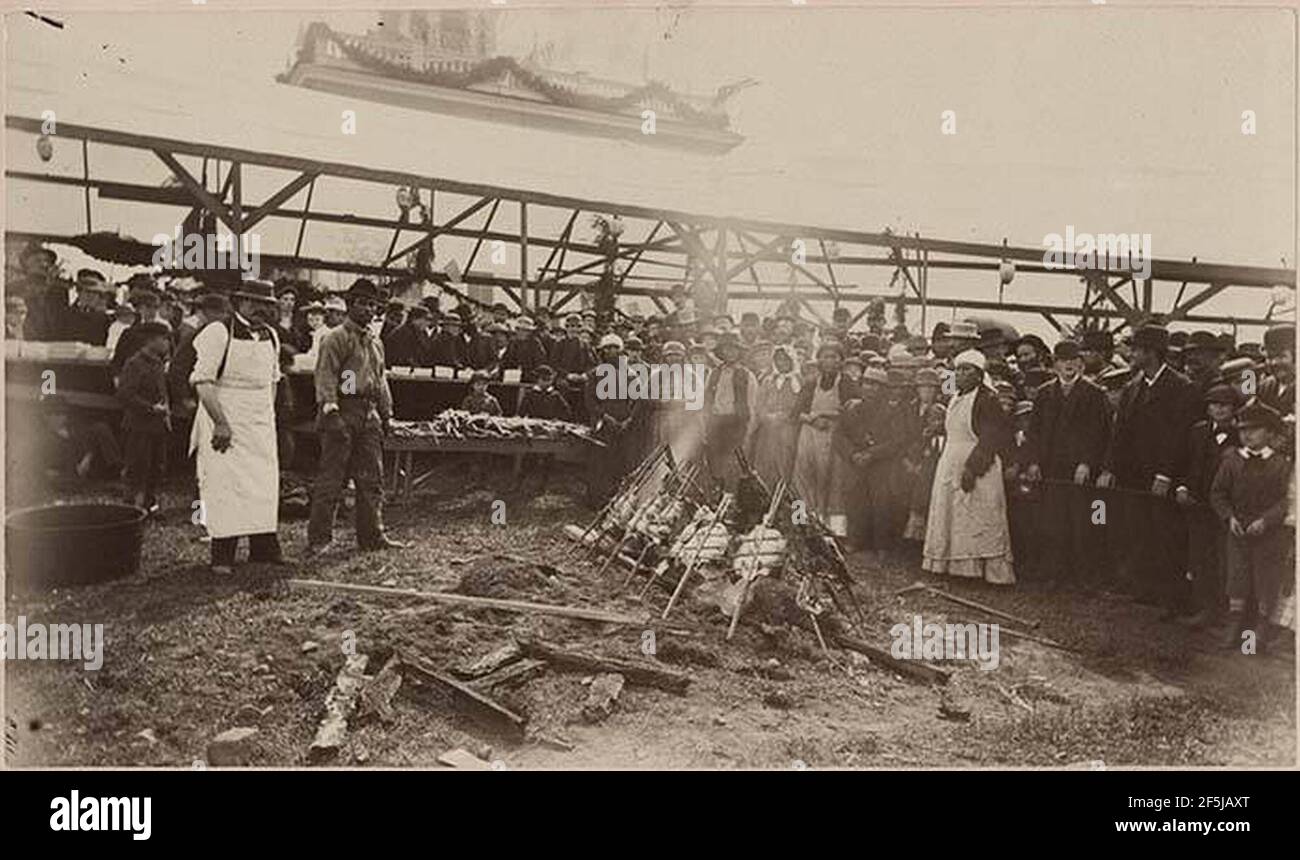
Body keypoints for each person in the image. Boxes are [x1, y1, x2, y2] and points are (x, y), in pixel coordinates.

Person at [1099, 323, 1200, 616]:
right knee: (1140, 533)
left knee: (1167, 537)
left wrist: (1166, 474)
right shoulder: (1133, 387)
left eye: (1136, 350)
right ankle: (1148, 590)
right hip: (1134, 477)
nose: (1131, 354)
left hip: (1163, 477)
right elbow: (1120, 433)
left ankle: (1173, 599)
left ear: (1151, 352)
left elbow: (1181, 436)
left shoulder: (1182, 388)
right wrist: (1109, 468)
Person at [189, 280, 286, 574]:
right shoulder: (218, 332)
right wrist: (220, 423)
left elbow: (273, 381)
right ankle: (222, 555)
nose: (262, 310)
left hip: (259, 422)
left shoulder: (271, 336)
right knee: (225, 486)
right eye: (255, 303)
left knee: (263, 484)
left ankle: (263, 548)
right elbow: (202, 382)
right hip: (224, 417)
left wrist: (267, 416)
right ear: (239, 302)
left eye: (267, 305)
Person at [308, 279, 408, 555]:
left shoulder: (375, 343)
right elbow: (325, 375)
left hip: (369, 413)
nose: (368, 309)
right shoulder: (336, 338)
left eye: (372, 304)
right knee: (332, 478)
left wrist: (386, 414)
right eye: (362, 303)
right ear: (351, 305)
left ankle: (372, 536)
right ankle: (319, 539)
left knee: (372, 479)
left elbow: (381, 378)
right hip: (342, 410)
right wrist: (331, 411)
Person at [922, 349, 1015, 584]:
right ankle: (954, 567)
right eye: (959, 369)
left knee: (979, 517)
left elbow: (991, 437)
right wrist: (938, 429)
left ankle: (983, 570)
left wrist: (972, 468)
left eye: (967, 370)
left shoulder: (988, 399)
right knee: (953, 516)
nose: (961, 374)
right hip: (950, 459)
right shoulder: (955, 396)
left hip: (978, 462)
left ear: (979, 374)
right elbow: (955, 427)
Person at [1027, 340, 1111, 587]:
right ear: (1055, 365)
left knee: (1084, 522)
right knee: (1053, 521)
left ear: (1081, 365)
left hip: (1079, 470)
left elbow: (1099, 433)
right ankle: (1054, 573)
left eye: (1075, 361)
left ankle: (1084, 577)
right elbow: (1035, 432)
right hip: (1051, 468)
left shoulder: (1094, 393)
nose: (1069, 366)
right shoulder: (1044, 393)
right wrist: (1033, 462)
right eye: (1063, 361)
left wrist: (1087, 463)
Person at [1210, 401, 1292, 653]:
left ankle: (1260, 630)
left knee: (1265, 579)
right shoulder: (1232, 460)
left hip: (1269, 534)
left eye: (1255, 429)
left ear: (1269, 433)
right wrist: (1229, 517)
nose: (1247, 434)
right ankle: (1235, 627)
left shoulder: (1281, 463)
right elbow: (1218, 492)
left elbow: (1286, 500)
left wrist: (1266, 521)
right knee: (1237, 576)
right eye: (1244, 429)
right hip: (1238, 529)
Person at [1175, 383, 1241, 628]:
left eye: (1225, 405)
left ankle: (1226, 613)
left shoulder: (1239, 435)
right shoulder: (1197, 431)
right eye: (1214, 404)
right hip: (1197, 503)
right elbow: (1184, 463)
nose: (1219, 409)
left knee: (1224, 559)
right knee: (1200, 557)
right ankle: (1205, 608)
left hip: (1225, 508)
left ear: (1234, 409)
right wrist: (1182, 487)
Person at [792, 341, 856, 537]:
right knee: (802, 479)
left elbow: (854, 411)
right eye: (825, 357)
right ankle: (801, 524)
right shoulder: (811, 383)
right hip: (809, 436)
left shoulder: (847, 383)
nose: (829, 361)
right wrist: (811, 419)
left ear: (841, 361)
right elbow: (795, 413)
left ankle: (834, 531)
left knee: (834, 481)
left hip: (834, 438)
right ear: (819, 360)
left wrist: (830, 417)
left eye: (834, 357)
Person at [117, 321, 172, 514]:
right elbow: (124, 394)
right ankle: (130, 510)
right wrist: (150, 408)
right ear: (151, 340)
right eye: (164, 339)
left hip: (157, 426)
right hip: (139, 426)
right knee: (137, 469)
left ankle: (149, 506)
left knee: (155, 469)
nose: (167, 343)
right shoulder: (135, 363)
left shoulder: (158, 363)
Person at [702, 331, 756, 491]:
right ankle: (715, 499)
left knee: (734, 465)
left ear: (739, 352)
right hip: (715, 423)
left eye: (733, 349)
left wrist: (748, 431)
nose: (730, 353)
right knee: (714, 464)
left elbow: (752, 405)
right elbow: (706, 401)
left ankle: (731, 500)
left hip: (736, 424)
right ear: (721, 352)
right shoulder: (714, 373)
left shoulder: (746, 375)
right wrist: (705, 426)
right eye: (726, 349)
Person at [748, 344, 801, 487]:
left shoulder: (799, 382)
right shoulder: (768, 381)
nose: (782, 363)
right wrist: (767, 417)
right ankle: (768, 497)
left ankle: (789, 501)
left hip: (790, 430)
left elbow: (801, 406)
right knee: (767, 463)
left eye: (785, 360)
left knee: (787, 464)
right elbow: (759, 404)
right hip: (769, 431)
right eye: (778, 360)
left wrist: (785, 416)